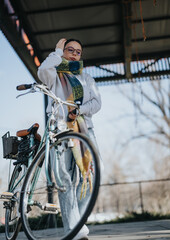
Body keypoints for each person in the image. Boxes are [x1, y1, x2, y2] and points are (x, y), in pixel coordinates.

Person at [37, 38, 101, 240]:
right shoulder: (53, 75)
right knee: (65, 180)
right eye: (69, 49)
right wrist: (56, 52)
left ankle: (77, 224)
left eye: (78, 52)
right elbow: (42, 71)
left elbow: (96, 103)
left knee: (91, 177)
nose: (74, 54)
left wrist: (79, 109)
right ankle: (74, 232)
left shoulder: (87, 78)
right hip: (61, 130)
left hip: (84, 131)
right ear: (63, 51)